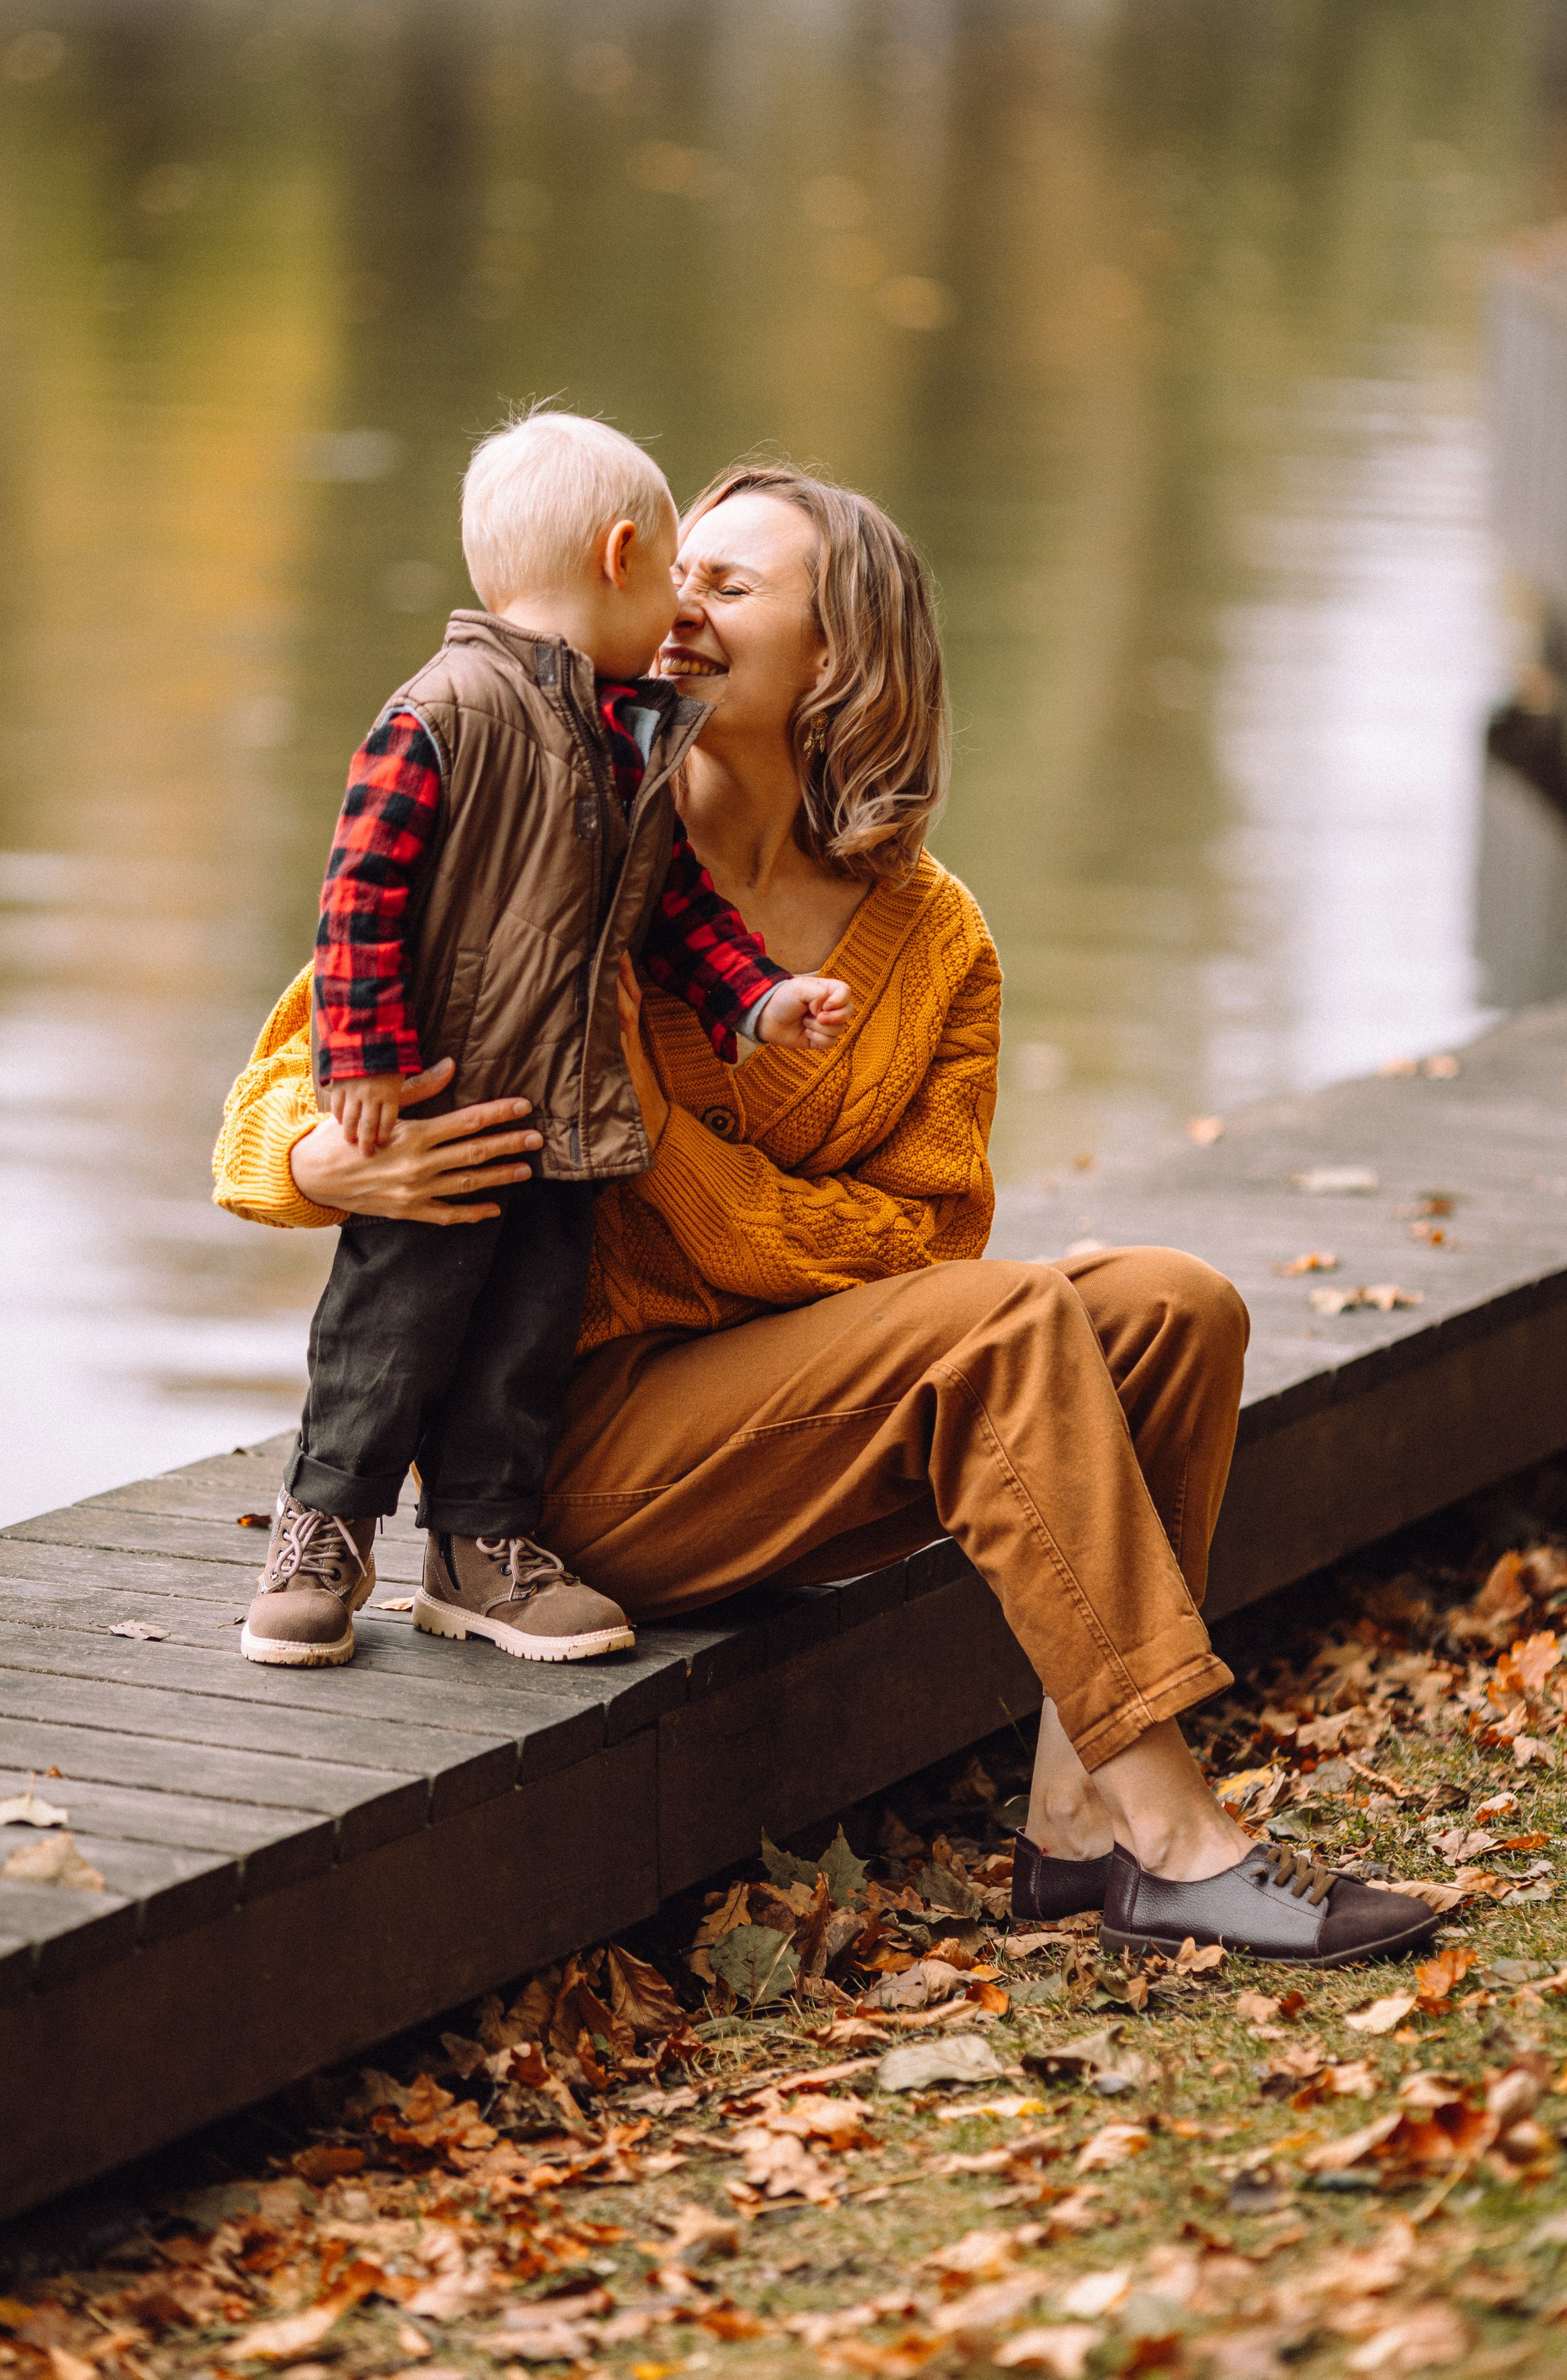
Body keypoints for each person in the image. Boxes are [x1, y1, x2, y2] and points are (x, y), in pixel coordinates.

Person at [216, 461, 1437, 1967]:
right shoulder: (556, 818)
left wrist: (669, 1154)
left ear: (836, 658)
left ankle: (1078, 1833)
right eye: (676, 576)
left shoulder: (934, 940)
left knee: (1173, 1306)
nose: (676, 608)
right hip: (573, 1468)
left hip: (810, 1427)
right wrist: (332, 1164)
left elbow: (925, 1250)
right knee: (1002, 1323)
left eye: (727, 588)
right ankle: (1183, 1834)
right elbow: (284, 1085)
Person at [234, 414, 848, 1673]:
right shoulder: (442, 712)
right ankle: (321, 1530)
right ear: (623, 554)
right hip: (441, 1112)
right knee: (387, 1328)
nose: (681, 609)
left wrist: (757, 1001)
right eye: (678, 572)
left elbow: (672, 911)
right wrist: (357, 1061)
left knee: (522, 1344)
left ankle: (479, 1551)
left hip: (571, 1117)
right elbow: (358, 898)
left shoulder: (630, 742)